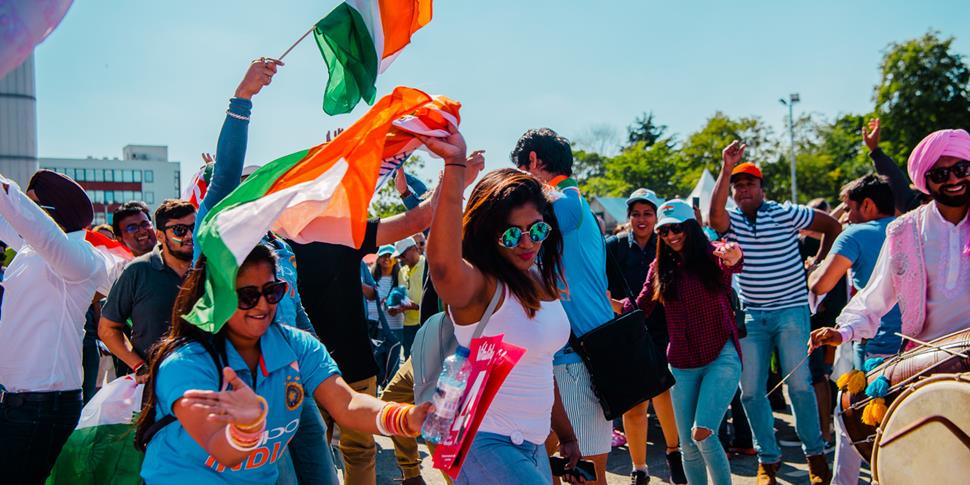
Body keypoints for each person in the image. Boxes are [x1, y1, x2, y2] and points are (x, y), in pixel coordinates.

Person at [135, 244, 430, 484]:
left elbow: (348, 405)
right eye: (248, 296)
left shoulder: (296, 345)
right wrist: (247, 428)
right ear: (217, 297)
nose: (263, 305)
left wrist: (407, 418)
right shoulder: (186, 363)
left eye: (272, 291)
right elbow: (222, 449)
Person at [189, 57, 340, 485]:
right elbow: (223, 178)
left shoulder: (278, 249)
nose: (259, 197)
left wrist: (320, 367)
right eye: (248, 189)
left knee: (323, 476)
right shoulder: (216, 236)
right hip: (244, 386)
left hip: (293, 380)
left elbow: (294, 311)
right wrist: (243, 97)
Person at [291, 153, 484, 485]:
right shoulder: (292, 240)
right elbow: (418, 218)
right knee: (334, 454)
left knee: (338, 453)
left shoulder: (320, 234)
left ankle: (413, 474)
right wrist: (456, 178)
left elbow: (418, 219)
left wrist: (457, 178)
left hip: (337, 364)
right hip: (317, 366)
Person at [423, 122, 582, 484]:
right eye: (512, 234)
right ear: (488, 234)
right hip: (483, 440)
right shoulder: (480, 286)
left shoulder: (539, 279)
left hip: (534, 444)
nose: (527, 243)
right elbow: (444, 265)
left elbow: (540, 363)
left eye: (537, 229)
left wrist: (567, 433)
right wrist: (455, 167)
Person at [810, 129, 970, 483]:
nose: (955, 179)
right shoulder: (906, 230)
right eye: (941, 174)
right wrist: (844, 330)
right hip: (925, 360)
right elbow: (876, 295)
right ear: (926, 181)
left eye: (962, 168)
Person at [709, 141, 840, 484]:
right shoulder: (732, 221)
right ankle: (768, 459)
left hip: (791, 311)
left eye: (750, 183)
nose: (743, 189)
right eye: (737, 185)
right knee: (750, 391)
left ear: (762, 189)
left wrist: (818, 262)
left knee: (799, 386)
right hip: (752, 314)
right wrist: (726, 167)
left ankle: (815, 456)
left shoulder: (785, 212)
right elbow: (714, 217)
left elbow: (831, 225)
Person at [612, 200, 743, 485]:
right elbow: (639, 306)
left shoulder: (711, 254)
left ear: (691, 228)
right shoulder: (659, 267)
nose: (671, 236)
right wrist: (603, 301)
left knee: (704, 432)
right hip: (682, 364)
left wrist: (734, 256)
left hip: (721, 355)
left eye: (677, 228)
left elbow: (731, 259)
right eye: (665, 231)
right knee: (688, 445)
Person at [512, 128, 615, 485]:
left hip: (579, 357)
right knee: (547, 458)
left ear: (535, 162)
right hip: (566, 355)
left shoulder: (568, 200)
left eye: (520, 172)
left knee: (586, 471)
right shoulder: (571, 202)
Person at [0, 170, 113, 484]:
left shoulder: (79, 257)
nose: (27, 213)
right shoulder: (32, 250)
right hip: (20, 406)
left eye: (35, 205)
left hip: (42, 410)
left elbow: (32, 225)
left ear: (52, 214)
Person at [604, 188, 685, 484]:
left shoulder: (667, 244)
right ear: (629, 216)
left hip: (664, 331)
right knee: (635, 405)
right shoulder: (612, 246)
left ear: (656, 216)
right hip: (625, 332)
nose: (641, 219)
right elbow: (604, 289)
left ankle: (674, 453)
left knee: (664, 397)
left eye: (647, 213)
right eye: (636, 213)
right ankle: (639, 470)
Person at [99, 199, 196, 379]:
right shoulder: (136, 271)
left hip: (203, 380)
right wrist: (139, 367)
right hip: (152, 387)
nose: (189, 235)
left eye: (194, 227)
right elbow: (108, 328)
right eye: (179, 230)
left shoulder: (208, 270)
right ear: (160, 235)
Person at [862, 118, 924, 214]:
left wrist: (875, 150)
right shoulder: (923, 212)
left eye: (956, 169)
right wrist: (875, 151)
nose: (953, 179)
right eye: (941, 174)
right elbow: (901, 191)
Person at [396, 236, 425, 359]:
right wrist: (397, 307)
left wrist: (417, 307)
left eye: (403, 255)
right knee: (409, 361)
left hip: (425, 323)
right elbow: (402, 296)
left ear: (414, 249)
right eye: (400, 256)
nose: (401, 259)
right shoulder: (401, 271)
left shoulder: (427, 266)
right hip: (408, 325)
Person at [369, 245, 406, 340]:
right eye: (383, 255)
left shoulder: (401, 278)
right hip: (375, 326)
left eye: (390, 255)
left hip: (396, 326)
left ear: (395, 259)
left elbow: (404, 300)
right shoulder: (371, 277)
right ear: (378, 259)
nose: (386, 258)